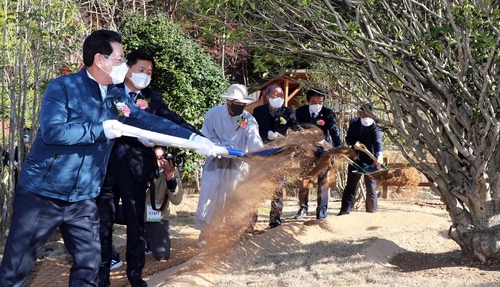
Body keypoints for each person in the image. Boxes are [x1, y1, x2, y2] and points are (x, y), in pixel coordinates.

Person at [0, 29, 215, 287]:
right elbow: (53, 131)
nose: (123, 66)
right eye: (120, 59)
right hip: (43, 193)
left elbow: (147, 119)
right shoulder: (63, 87)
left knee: (90, 264)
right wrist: (99, 129)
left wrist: (194, 138)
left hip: (84, 198)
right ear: (100, 60)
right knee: (16, 268)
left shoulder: (116, 97)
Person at [97, 49, 203, 287]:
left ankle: (135, 275)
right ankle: (101, 276)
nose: (145, 75)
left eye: (149, 72)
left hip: (136, 170)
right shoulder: (109, 92)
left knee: (136, 224)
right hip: (106, 169)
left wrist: (198, 137)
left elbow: (171, 119)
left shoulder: (152, 98)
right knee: (103, 224)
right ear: (127, 70)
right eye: (140, 70)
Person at [194, 84, 263, 243]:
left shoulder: (248, 119)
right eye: (237, 104)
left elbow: (254, 140)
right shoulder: (213, 114)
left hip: (238, 165)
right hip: (215, 162)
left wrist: (260, 153)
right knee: (210, 197)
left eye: (243, 105)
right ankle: (205, 232)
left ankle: (230, 235)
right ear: (229, 101)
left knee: (235, 197)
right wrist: (221, 148)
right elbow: (206, 137)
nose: (241, 107)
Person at [252, 84, 303, 228]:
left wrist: (304, 134)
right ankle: (251, 221)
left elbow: (295, 126)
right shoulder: (258, 111)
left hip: (281, 154)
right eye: (275, 95)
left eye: (281, 95)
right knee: (256, 186)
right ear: (268, 97)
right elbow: (253, 130)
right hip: (262, 153)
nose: (279, 97)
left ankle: (275, 219)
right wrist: (267, 134)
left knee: (278, 186)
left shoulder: (288, 112)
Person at [295, 88, 343, 220]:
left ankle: (321, 211)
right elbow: (297, 128)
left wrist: (338, 147)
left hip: (323, 150)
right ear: (308, 101)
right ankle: (303, 208)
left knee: (323, 180)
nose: (317, 104)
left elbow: (334, 130)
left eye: (320, 101)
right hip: (306, 150)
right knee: (305, 178)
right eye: (314, 101)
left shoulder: (327, 112)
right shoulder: (300, 112)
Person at [339, 101, 383, 215]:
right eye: (364, 115)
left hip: (370, 159)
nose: (366, 117)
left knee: (371, 186)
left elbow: (378, 143)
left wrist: (379, 155)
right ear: (360, 113)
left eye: (369, 115)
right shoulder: (354, 122)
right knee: (351, 185)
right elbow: (349, 137)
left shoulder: (376, 127)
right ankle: (344, 211)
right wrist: (355, 143)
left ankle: (372, 212)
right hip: (355, 158)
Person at [143, 146, 184, 261]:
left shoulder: (171, 171)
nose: (160, 161)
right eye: (155, 158)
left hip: (156, 217)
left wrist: (170, 177)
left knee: (162, 255)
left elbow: (177, 200)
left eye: (162, 157)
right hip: (136, 213)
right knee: (106, 213)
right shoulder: (141, 168)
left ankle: (149, 238)